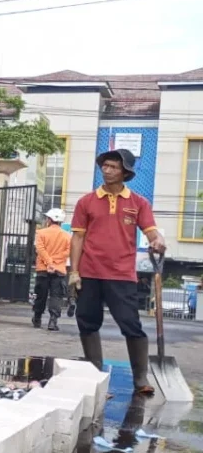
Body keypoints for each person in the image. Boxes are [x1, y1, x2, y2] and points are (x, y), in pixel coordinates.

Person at [69, 148, 166, 395]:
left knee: (131, 324)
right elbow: (77, 239)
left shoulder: (138, 203)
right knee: (88, 322)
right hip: (90, 273)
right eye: (105, 166)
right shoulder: (86, 202)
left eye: (113, 167)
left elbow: (152, 232)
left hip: (122, 274)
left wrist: (157, 241)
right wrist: (74, 272)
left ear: (125, 172)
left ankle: (140, 378)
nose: (107, 170)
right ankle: (94, 375)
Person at [32, 208, 70, 331]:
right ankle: (52, 322)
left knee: (41, 295)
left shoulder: (40, 233)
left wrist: (49, 262)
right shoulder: (67, 236)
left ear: (49, 220)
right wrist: (54, 262)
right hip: (59, 270)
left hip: (43, 269)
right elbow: (68, 252)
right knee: (56, 296)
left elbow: (40, 249)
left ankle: (37, 318)